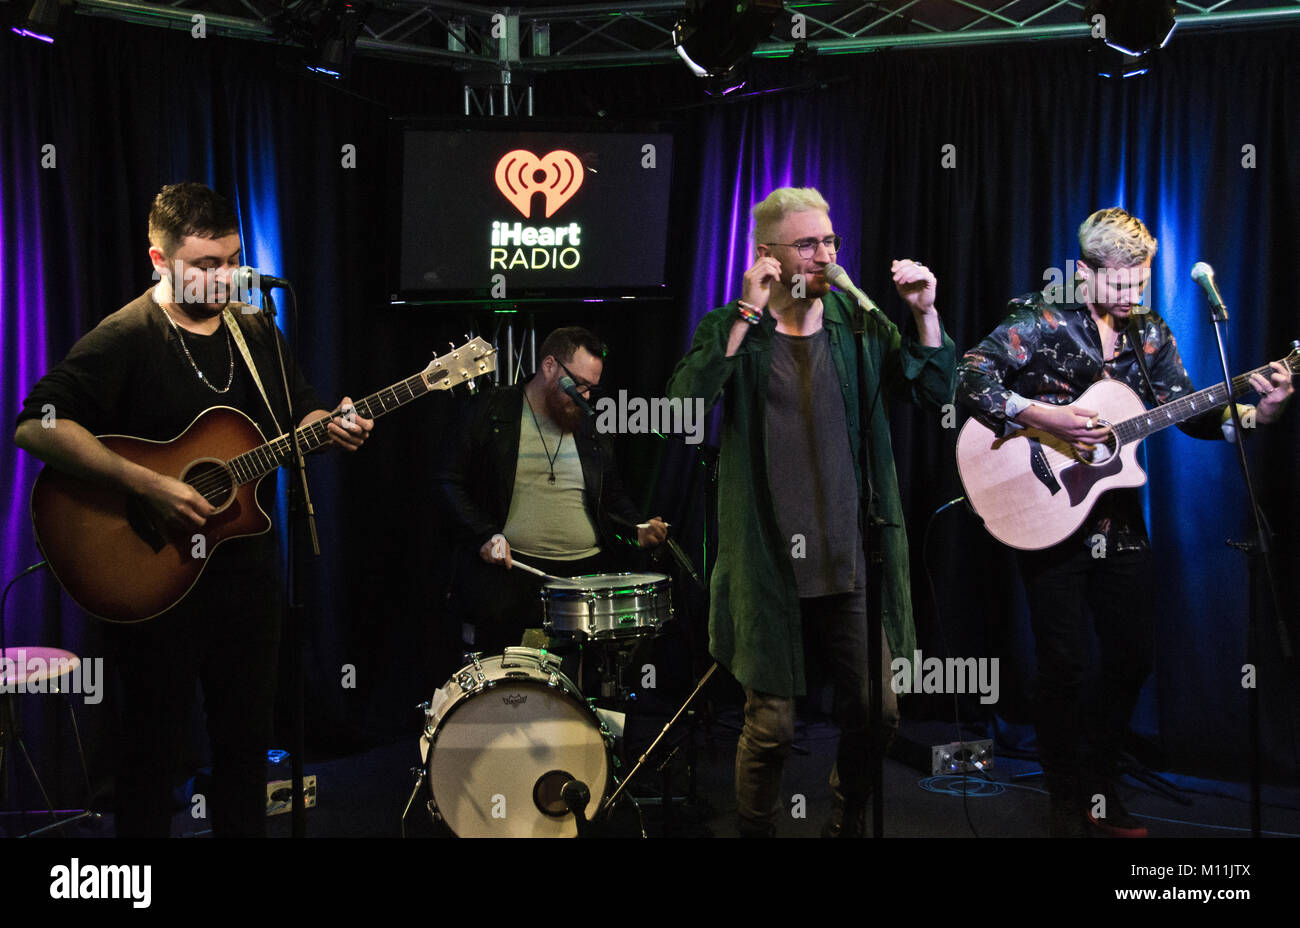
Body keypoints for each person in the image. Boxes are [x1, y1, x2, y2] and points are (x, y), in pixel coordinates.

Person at [14, 182, 373, 837]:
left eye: (231, 260)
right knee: (151, 754)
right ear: (160, 260)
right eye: (205, 265)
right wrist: (147, 485)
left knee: (244, 746)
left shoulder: (256, 330)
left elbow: (302, 412)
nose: (223, 277)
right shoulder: (125, 335)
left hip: (248, 572)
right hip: (155, 576)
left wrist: (334, 423)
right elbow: (36, 425)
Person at [957, 207, 1294, 837]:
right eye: (1118, 283)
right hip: (1046, 513)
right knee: (1064, 664)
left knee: (1133, 657)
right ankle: (1066, 798)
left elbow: (1190, 414)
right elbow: (970, 378)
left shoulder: (1152, 334)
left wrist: (1260, 414)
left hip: (1120, 524)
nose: (1131, 295)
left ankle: (1097, 779)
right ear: (1083, 272)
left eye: (1140, 282)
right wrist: (1046, 417)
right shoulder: (1039, 319)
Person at [666, 187, 956, 837]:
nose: (824, 255)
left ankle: (844, 824)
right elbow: (682, 407)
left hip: (852, 558)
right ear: (767, 255)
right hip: (768, 570)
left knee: (877, 712)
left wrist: (925, 315)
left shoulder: (858, 327)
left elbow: (935, 390)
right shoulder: (734, 328)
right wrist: (745, 312)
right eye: (808, 244)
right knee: (770, 729)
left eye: (830, 242)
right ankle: (755, 829)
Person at [436, 326, 667, 659]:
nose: (585, 396)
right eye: (579, 385)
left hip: (582, 585)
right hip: (510, 580)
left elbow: (612, 496)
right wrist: (483, 536)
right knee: (510, 688)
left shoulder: (589, 424)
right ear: (549, 366)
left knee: (578, 692)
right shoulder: (491, 409)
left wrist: (637, 530)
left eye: (591, 388)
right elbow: (446, 481)